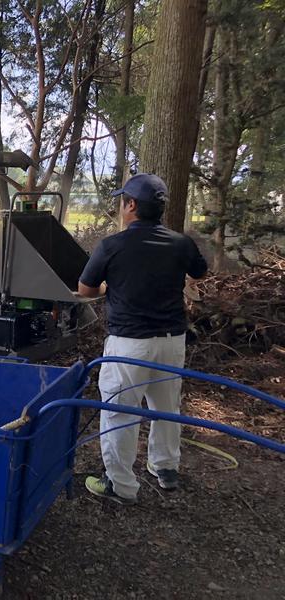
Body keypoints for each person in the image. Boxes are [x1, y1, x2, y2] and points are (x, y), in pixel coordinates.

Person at [78, 173, 208, 505]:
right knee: (167, 405)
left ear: (131, 205)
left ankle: (120, 485)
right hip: (171, 341)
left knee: (120, 411)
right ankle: (165, 467)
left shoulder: (112, 246)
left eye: (123, 202)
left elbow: (86, 290)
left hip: (129, 345)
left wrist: (109, 286)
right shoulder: (181, 243)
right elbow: (200, 271)